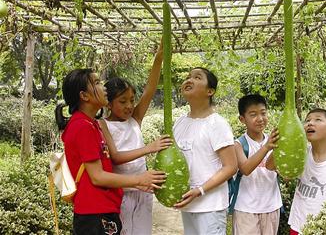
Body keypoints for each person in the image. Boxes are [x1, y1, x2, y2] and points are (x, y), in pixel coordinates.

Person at [55, 68, 167, 235]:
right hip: (94, 212)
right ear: (84, 96)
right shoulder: (82, 127)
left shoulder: (90, 124)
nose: (104, 88)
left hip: (103, 208)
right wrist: (139, 179)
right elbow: (97, 176)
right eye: (97, 83)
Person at [100, 42, 173, 235]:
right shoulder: (103, 125)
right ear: (108, 104)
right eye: (122, 101)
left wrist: (158, 58)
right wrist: (149, 148)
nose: (129, 105)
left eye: (132, 100)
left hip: (143, 189)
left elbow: (150, 89)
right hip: (121, 191)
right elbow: (115, 157)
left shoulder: (135, 119)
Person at [173, 67, 238, 235]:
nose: (189, 80)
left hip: (211, 207)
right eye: (188, 77)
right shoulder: (180, 122)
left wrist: (200, 190)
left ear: (210, 91)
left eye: (197, 77)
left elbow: (231, 166)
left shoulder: (217, 124)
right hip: (189, 205)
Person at [232, 94, 282, 235]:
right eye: (253, 114)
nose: (260, 119)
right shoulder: (239, 144)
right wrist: (266, 147)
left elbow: (281, 171)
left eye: (263, 113)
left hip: (272, 206)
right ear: (242, 119)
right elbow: (246, 169)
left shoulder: (275, 141)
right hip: (246, 209)